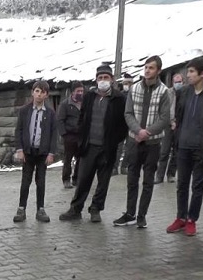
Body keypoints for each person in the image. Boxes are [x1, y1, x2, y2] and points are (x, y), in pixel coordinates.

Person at [59, 65, 127, 223]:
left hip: (107, 148)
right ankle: (75, 209)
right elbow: (82, 117)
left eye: (106, 77)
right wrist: (82, 138)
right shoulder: (89, 96)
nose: (103, 80)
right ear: (96, 80)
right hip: (89, 146)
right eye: (100, 78)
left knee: (103, 182)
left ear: (112, 79)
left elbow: (123, 124)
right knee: (83, 179)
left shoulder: (119, 99)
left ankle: (96, 209)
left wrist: (115, 140)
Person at [114, 56, 173, 229]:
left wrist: (147, 132)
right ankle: (130, 213)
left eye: (151, 68)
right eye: (146, 67)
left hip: (153, 143)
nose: (147, 70)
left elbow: (164, 118)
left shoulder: (164, 91)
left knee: (148, 181)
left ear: (158, 71)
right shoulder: (134, 88)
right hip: (134, 141)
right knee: (132, 179)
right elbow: (128, 113)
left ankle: (142, 216)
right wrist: (138, 130)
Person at [166, 58, 203, 236]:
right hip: (183, 145)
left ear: (202, 74)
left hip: (201, 147)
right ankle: (180, 217)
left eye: (191, 72)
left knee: (197, 186)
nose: (187, 75)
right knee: (181, 184)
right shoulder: (183, 92)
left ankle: (192, 219)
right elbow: (178, 117)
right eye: (188, 71)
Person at [12, 81, 58, 223]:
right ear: (32, 92)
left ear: (46, 95)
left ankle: (40, 209)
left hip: (42, 153)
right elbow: (19, 130)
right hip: (28, 152)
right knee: (25, 181)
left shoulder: (50, 113)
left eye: (42, 92)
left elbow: (54, 134)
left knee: (41, 181)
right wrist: (20, 149)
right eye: (37, 91)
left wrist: (51, 153)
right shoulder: (24, 111)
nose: (39, 94)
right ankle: (21, 208)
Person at [155, 73, 184, 184]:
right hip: (168, 125)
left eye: (180, 82)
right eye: (176, 82)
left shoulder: (185, 93)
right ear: (172, 82)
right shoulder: (167, 93)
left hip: (180, 126)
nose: (178, 84)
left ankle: (171, 174)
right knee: (164, 151)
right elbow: (164, 109)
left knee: (177, 152)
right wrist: (170, 121)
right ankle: (159, 176)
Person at [57, 81, 83, 189]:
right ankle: (66, 179)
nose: (80, 93)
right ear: (73, 92)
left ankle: (76, 179)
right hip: (70, 136)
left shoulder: (85, 103)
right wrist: (64, 134)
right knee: (68, 159)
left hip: (81, 136)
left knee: (80, 159)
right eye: (78, 91)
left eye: (82, 91)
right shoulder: (65, 104)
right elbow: (60, 120)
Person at [113, 72, 135, 176]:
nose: (126, 85)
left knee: (129, 147)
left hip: (131, 124)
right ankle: (114, 167)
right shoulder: (119, 95)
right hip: (120, 124)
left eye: (128, 83)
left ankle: (124, 166)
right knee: (118, 147)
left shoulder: (135, 95)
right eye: (125, 83)